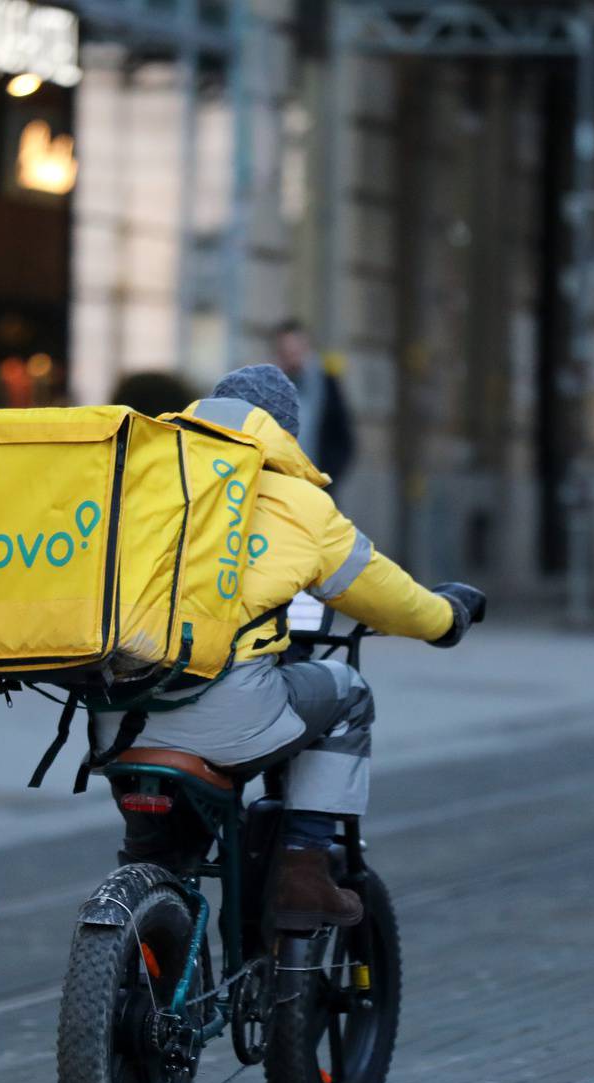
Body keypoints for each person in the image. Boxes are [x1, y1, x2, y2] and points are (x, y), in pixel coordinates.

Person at [93, 365, 483, 931]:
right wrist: (447, 618)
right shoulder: (302, 505)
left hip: (116, 720)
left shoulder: (140, 482)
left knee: (161, 859)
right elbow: (391, 598)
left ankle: (137, 952)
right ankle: (302, 867)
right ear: (284, 435)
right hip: (230, 718)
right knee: (348, 693)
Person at [272, 320, 356, 483]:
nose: (292, 359)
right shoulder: (269, 388)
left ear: (306, 349)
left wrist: (328, 478)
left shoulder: (327, 385)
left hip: (317, 483)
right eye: (286, 353)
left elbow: (343, 439)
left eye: (296, 351)